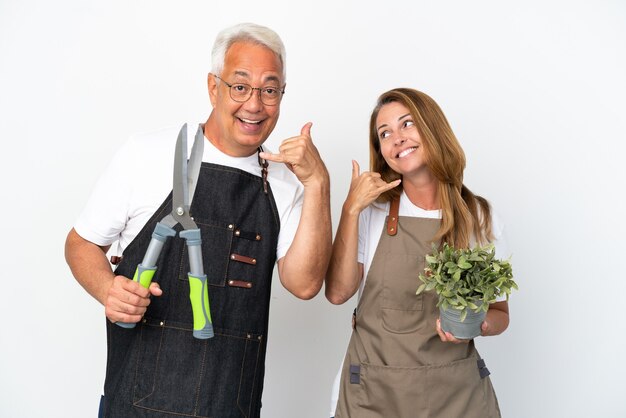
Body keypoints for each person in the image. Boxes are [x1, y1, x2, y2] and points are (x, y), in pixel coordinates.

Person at [64, 22, 332, 418]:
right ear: (213, 87)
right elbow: (81, 243)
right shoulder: (147, 154)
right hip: (134, 405)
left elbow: (305, 284)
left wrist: (318, 183)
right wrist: (108, 289)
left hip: (230, 405)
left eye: (269, 90)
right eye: (240, 86)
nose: (254, 104)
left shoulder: (285, 181)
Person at [325, 88, 510, 418]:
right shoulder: (371, 212)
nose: (397, 138)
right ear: (382, 151)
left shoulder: (478, 216)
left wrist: (475, 325)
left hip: (457, 396)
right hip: (372, 393)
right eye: (385, 133)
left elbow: (500, 314)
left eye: (407, 124)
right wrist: (351, 210)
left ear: (432, 128)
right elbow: (338, 293)